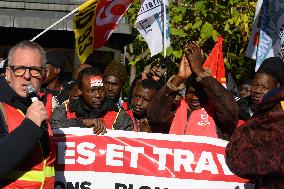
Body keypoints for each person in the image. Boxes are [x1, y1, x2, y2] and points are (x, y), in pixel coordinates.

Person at [148, 43, 238, 138]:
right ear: (185, 91)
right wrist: (179, 78)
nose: (195, 97)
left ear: (209, 94)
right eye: (191, 93)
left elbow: (231, 112)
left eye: (200, 94)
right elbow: (154, 117)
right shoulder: (175, 110)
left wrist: (199, 71)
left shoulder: (218, 116)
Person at [0, 40, 55, 188]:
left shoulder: (36, 105)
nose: (27, 76)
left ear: (44, 75)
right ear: (7, 74)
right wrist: (30, 126)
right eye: (19, 69)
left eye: (35, 70)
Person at [226, 86, 284, 189]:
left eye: (264, 87)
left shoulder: (276, 104)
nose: (257, 91)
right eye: (255, 86)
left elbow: (238, 160)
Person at [51, 67, 134, 132]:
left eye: (101, 89)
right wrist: (83, 123)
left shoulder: (119, 116)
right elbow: (54, 130)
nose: (98, 95)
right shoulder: (64, 110)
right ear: (79, 90)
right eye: (92, 91)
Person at [41, 51, 70, 115]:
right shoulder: (37, 91)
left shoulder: (69, 92)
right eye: (39, 69)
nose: (41, 73)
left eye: (45, 70)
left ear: (57, 70)